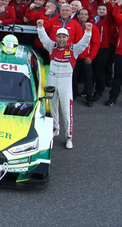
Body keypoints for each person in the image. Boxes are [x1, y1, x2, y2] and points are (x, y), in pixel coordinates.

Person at [37, 20, 93, 149]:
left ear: (68, 38)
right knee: (52, 108)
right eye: (59, 37)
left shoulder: (74, 49)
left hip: (65, 83)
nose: (61, 39)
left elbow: (84, 42)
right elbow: (44, 38)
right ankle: (55, 129)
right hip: (52, 80)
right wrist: (40, 27)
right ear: (56, 37)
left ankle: (68, 137)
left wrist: (88, 31)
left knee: (66, 111)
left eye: (64, 37)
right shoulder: (52, 47)